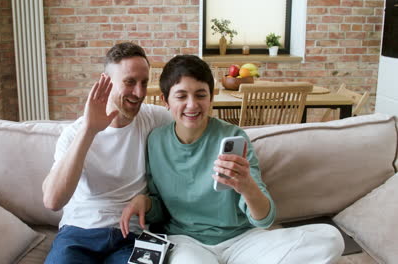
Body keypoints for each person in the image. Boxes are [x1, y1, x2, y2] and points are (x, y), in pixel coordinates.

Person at [120, 55, 344, 264]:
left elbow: (264, 219)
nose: (192, 105)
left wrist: (247, 185)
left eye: (200, 94)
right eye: (181, 96)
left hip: (243, 239)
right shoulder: (156, 142)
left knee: (330, 238)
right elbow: (159, 210)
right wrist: (146, 203)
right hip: (187, 241)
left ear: (211, 97)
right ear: (165, 100)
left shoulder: (234, 137)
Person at [42, 42, 172, 264]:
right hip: (78, 234)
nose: (139, 93)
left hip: (133, 236)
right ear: (106, 81)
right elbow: (53, 201)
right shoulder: (75, 133)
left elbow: (192, 121)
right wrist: (90, 130)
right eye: (130, 82)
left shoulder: (154, 119)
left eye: (144, 83)